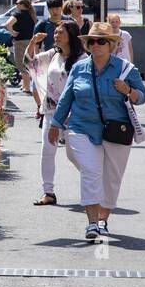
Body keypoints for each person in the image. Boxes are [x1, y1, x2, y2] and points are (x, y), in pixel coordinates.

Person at [49, 23, 145, 241]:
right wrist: (56, 124)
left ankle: (103, 221)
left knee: (111, 179)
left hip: (116, 131)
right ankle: (92, 223)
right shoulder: (79, 68)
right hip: (81, 127)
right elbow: (66, 98)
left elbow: (143, 96)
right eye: (91, 41)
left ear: (111, 44)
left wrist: (128, 90)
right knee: (91, 171)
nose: (95, 45)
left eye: (101, 41)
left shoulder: (125, 69)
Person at [24, 19, 83, 206]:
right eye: (55, 32)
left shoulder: (83, 59)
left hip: (75, 114)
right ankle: (48, 192)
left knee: (74, 154)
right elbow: (29, 63)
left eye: (60, 33)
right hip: (51, 112)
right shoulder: (52, 55)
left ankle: (95, 180)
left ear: (71, 36)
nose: (56, 36)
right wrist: (33, 43)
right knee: (47, 151)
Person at [4, 0, 36, 92]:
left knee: (20, 63)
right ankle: (25, 85)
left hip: (20, 41)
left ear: (22, 5)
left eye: (17, 3)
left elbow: (7, 24)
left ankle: (26, 87)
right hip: (31, 41)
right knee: (28, 62)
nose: (16, 5)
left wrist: (12, 32)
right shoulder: (32, 15)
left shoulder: (18, 14)